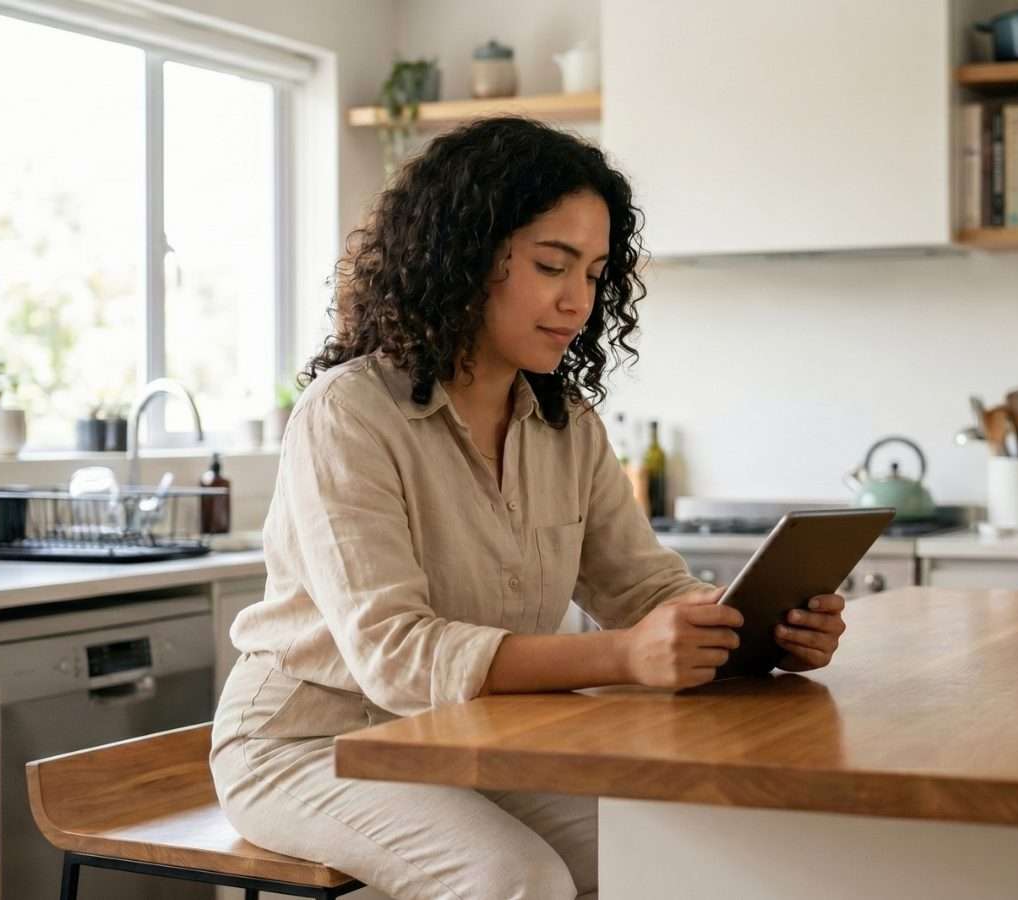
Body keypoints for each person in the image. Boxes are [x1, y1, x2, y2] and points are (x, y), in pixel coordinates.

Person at [210, 116, 847, 900]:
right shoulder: (347, 413)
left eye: (595, 273)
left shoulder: (565, 422)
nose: (577, 301)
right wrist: (624, 657)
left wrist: (751, 625)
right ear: (467, 256)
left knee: (680, 844)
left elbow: (642, 590)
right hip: (309, 744)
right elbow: (396, 655)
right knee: (519, 880)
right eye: (554, 265)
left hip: (471, 739)